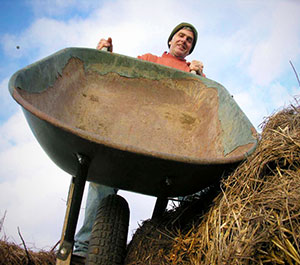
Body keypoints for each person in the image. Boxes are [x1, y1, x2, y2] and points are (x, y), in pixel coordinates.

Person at [73, 22, 205, 258]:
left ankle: (171, 252)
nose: (184, 41)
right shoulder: (149, 59)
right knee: (101, 180)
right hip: (137, 134)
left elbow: (203, 104)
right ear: (170, 40)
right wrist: (106, 56)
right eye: (181, 36)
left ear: (191, 49)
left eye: (189, 40)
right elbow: (122, 77)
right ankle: (83, 250)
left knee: (200, 190)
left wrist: (201, 75)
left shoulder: (192, 73)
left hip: (168, 144)